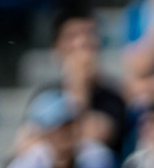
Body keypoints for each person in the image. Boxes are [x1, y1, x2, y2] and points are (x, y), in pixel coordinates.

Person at [49, 13, 133, 154]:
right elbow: (25, 143)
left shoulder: (114, 98)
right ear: (57, 48)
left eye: (89, 34)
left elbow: (94, 136)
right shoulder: (46, 95)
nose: (81, 42)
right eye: (72, 36)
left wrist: (78, 84)